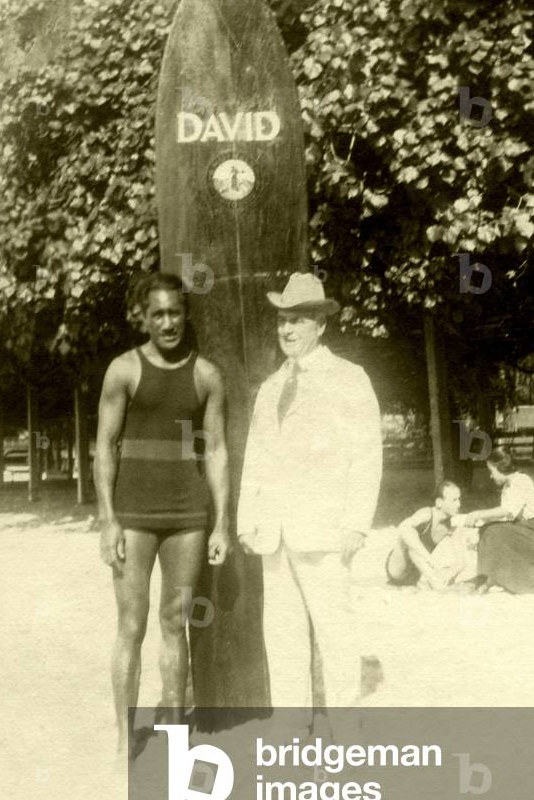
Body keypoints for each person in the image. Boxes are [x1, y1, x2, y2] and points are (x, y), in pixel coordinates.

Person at [94, 271, 230, 751]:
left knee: (176, 624)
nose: (168, 322)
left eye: (175, 312)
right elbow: (104, 448)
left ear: (185, 314)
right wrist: (108, 519)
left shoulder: (206, 375)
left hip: (187, 517)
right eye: (158, 314)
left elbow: (215, 451)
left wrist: (222, 523)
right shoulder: (123, 371)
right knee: (130, 625)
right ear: (144, 318)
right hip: (132, 518)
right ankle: (122, 737)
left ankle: (175, 742)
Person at [237, 272, 383, 709]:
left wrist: (356, 524)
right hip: (274, 533)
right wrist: (248, 519)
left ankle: (344, 734)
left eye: (299, 320)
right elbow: (257, 457)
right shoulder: (271, 387)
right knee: (283, 640)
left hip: (324, 531)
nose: (288, 329)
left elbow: (367, 456)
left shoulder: (349, 379)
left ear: (321, 324)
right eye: (283, 319)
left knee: (336, 635)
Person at [453, 445, 534, 594]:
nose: (491, 476)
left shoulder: (520, 481)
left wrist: (477, 514)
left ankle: (487, 578)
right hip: (532, 528)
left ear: (501, 468)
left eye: (492, 471)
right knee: (490, 529)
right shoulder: (510, 484)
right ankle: (490, 576)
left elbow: (507, 510)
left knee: (492, 532)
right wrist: (483, 521)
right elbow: (508, 515)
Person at [380, 480, 477, 590]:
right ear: (439, 502)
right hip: (397, 569)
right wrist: (429, 559)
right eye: (454, 500)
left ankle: (436, 582)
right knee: (411, 541)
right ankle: (437, 584)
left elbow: (460, 562)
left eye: (459, 499)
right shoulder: (427, 513)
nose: (459, 504)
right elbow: (403, 527)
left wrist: (448, 574)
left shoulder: (452, 526)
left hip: (416, 574)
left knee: (445, 566)